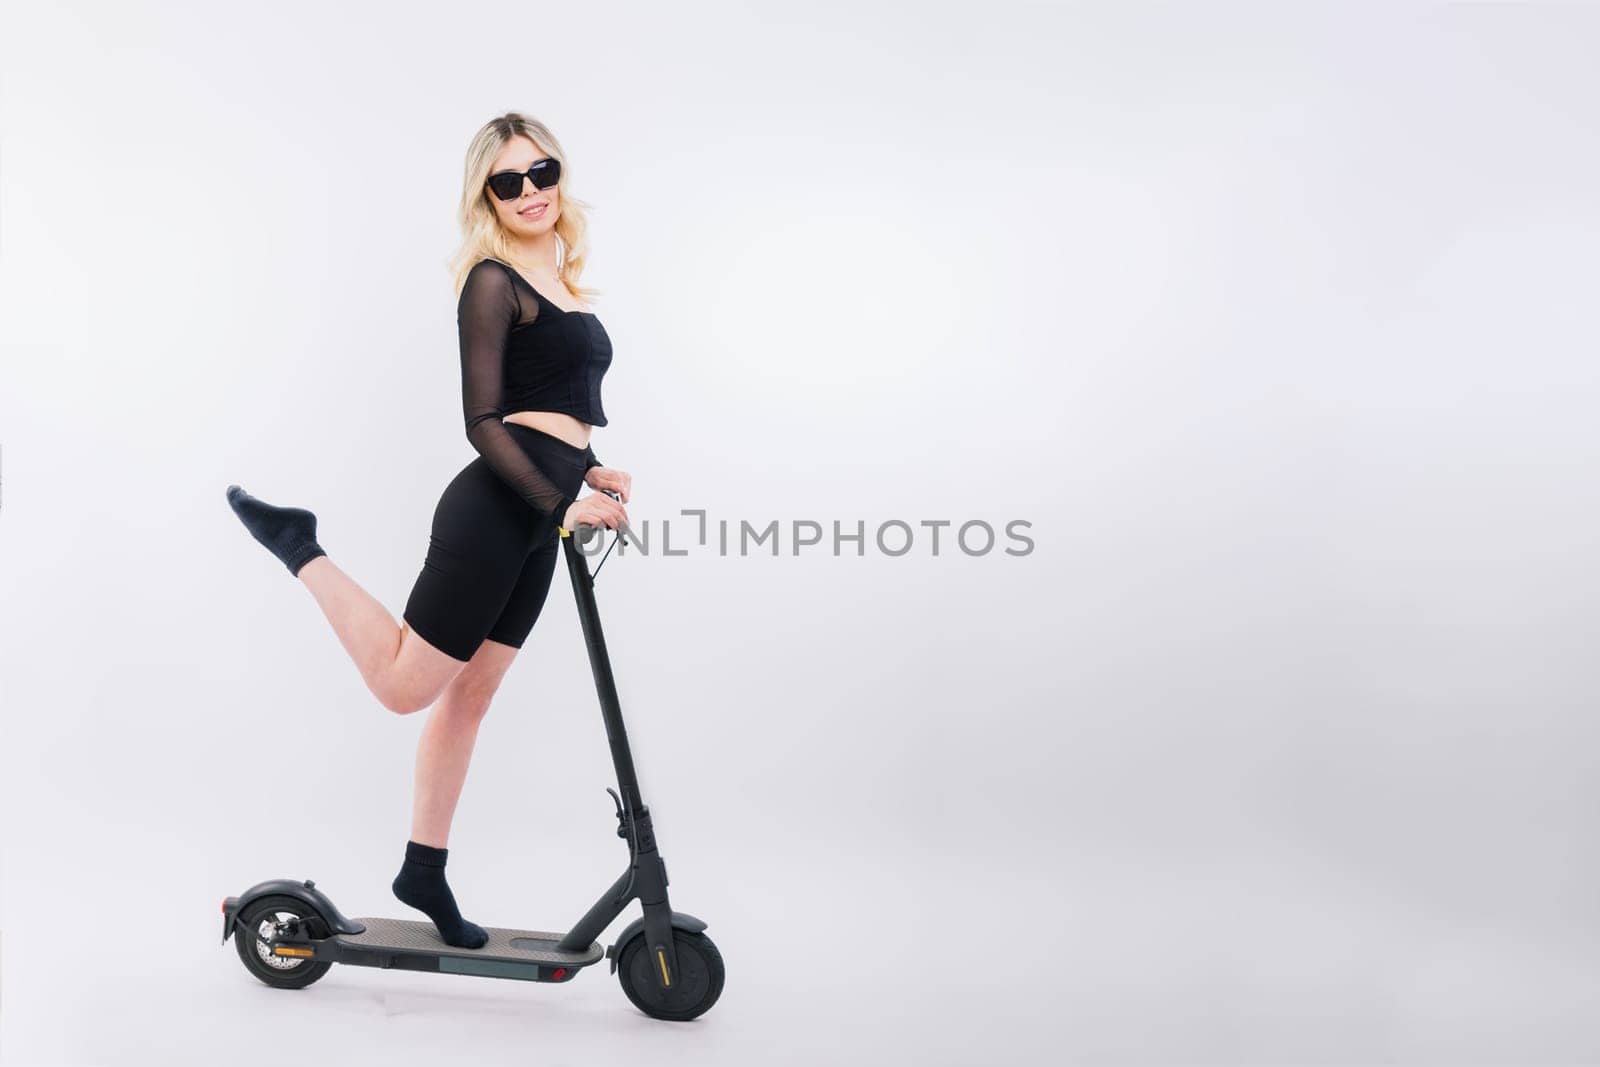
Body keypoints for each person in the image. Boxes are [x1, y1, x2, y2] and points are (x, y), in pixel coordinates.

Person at [223, 112, 632, 949]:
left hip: (544, 513)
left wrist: (591, 469)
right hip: (495, 508)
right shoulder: (492, 280)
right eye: (508, 181)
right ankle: (301, 546)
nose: (530, 192)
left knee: (471, 698)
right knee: (406, 687)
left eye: (541, 172)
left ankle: (424, 867)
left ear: (560, 174)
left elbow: (551, 409)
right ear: (486, 193)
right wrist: (557, 503)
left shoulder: (557, 274)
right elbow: (484, 420)